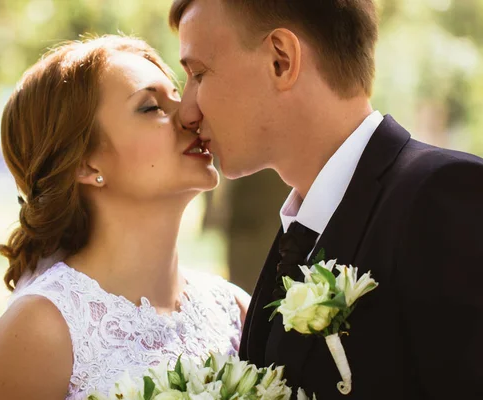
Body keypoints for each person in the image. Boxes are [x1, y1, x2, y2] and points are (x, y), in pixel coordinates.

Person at [169, 0, 483, 398]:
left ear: (280, 60)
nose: (187, 111)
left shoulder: (443, 198)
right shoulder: (298, 235)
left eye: (198, 73)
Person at [0, 35, 249, 400]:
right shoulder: (42, 331)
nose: (190, 114)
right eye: (151, 107)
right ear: (84, 162)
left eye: (178, 94)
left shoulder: (234, 311)